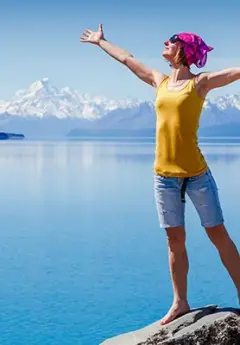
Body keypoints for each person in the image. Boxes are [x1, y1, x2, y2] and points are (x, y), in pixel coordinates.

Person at [80, 24, 240, 325]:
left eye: (173, 41)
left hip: (197, 175)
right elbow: (128, 59)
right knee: (174, 240)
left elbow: (234, 72)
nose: (166, 42)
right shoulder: (160, 81)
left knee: (218, 235)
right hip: (164, 177)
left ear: (184, 51)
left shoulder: (200, 84)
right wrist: (102, 42)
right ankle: (180, 302)